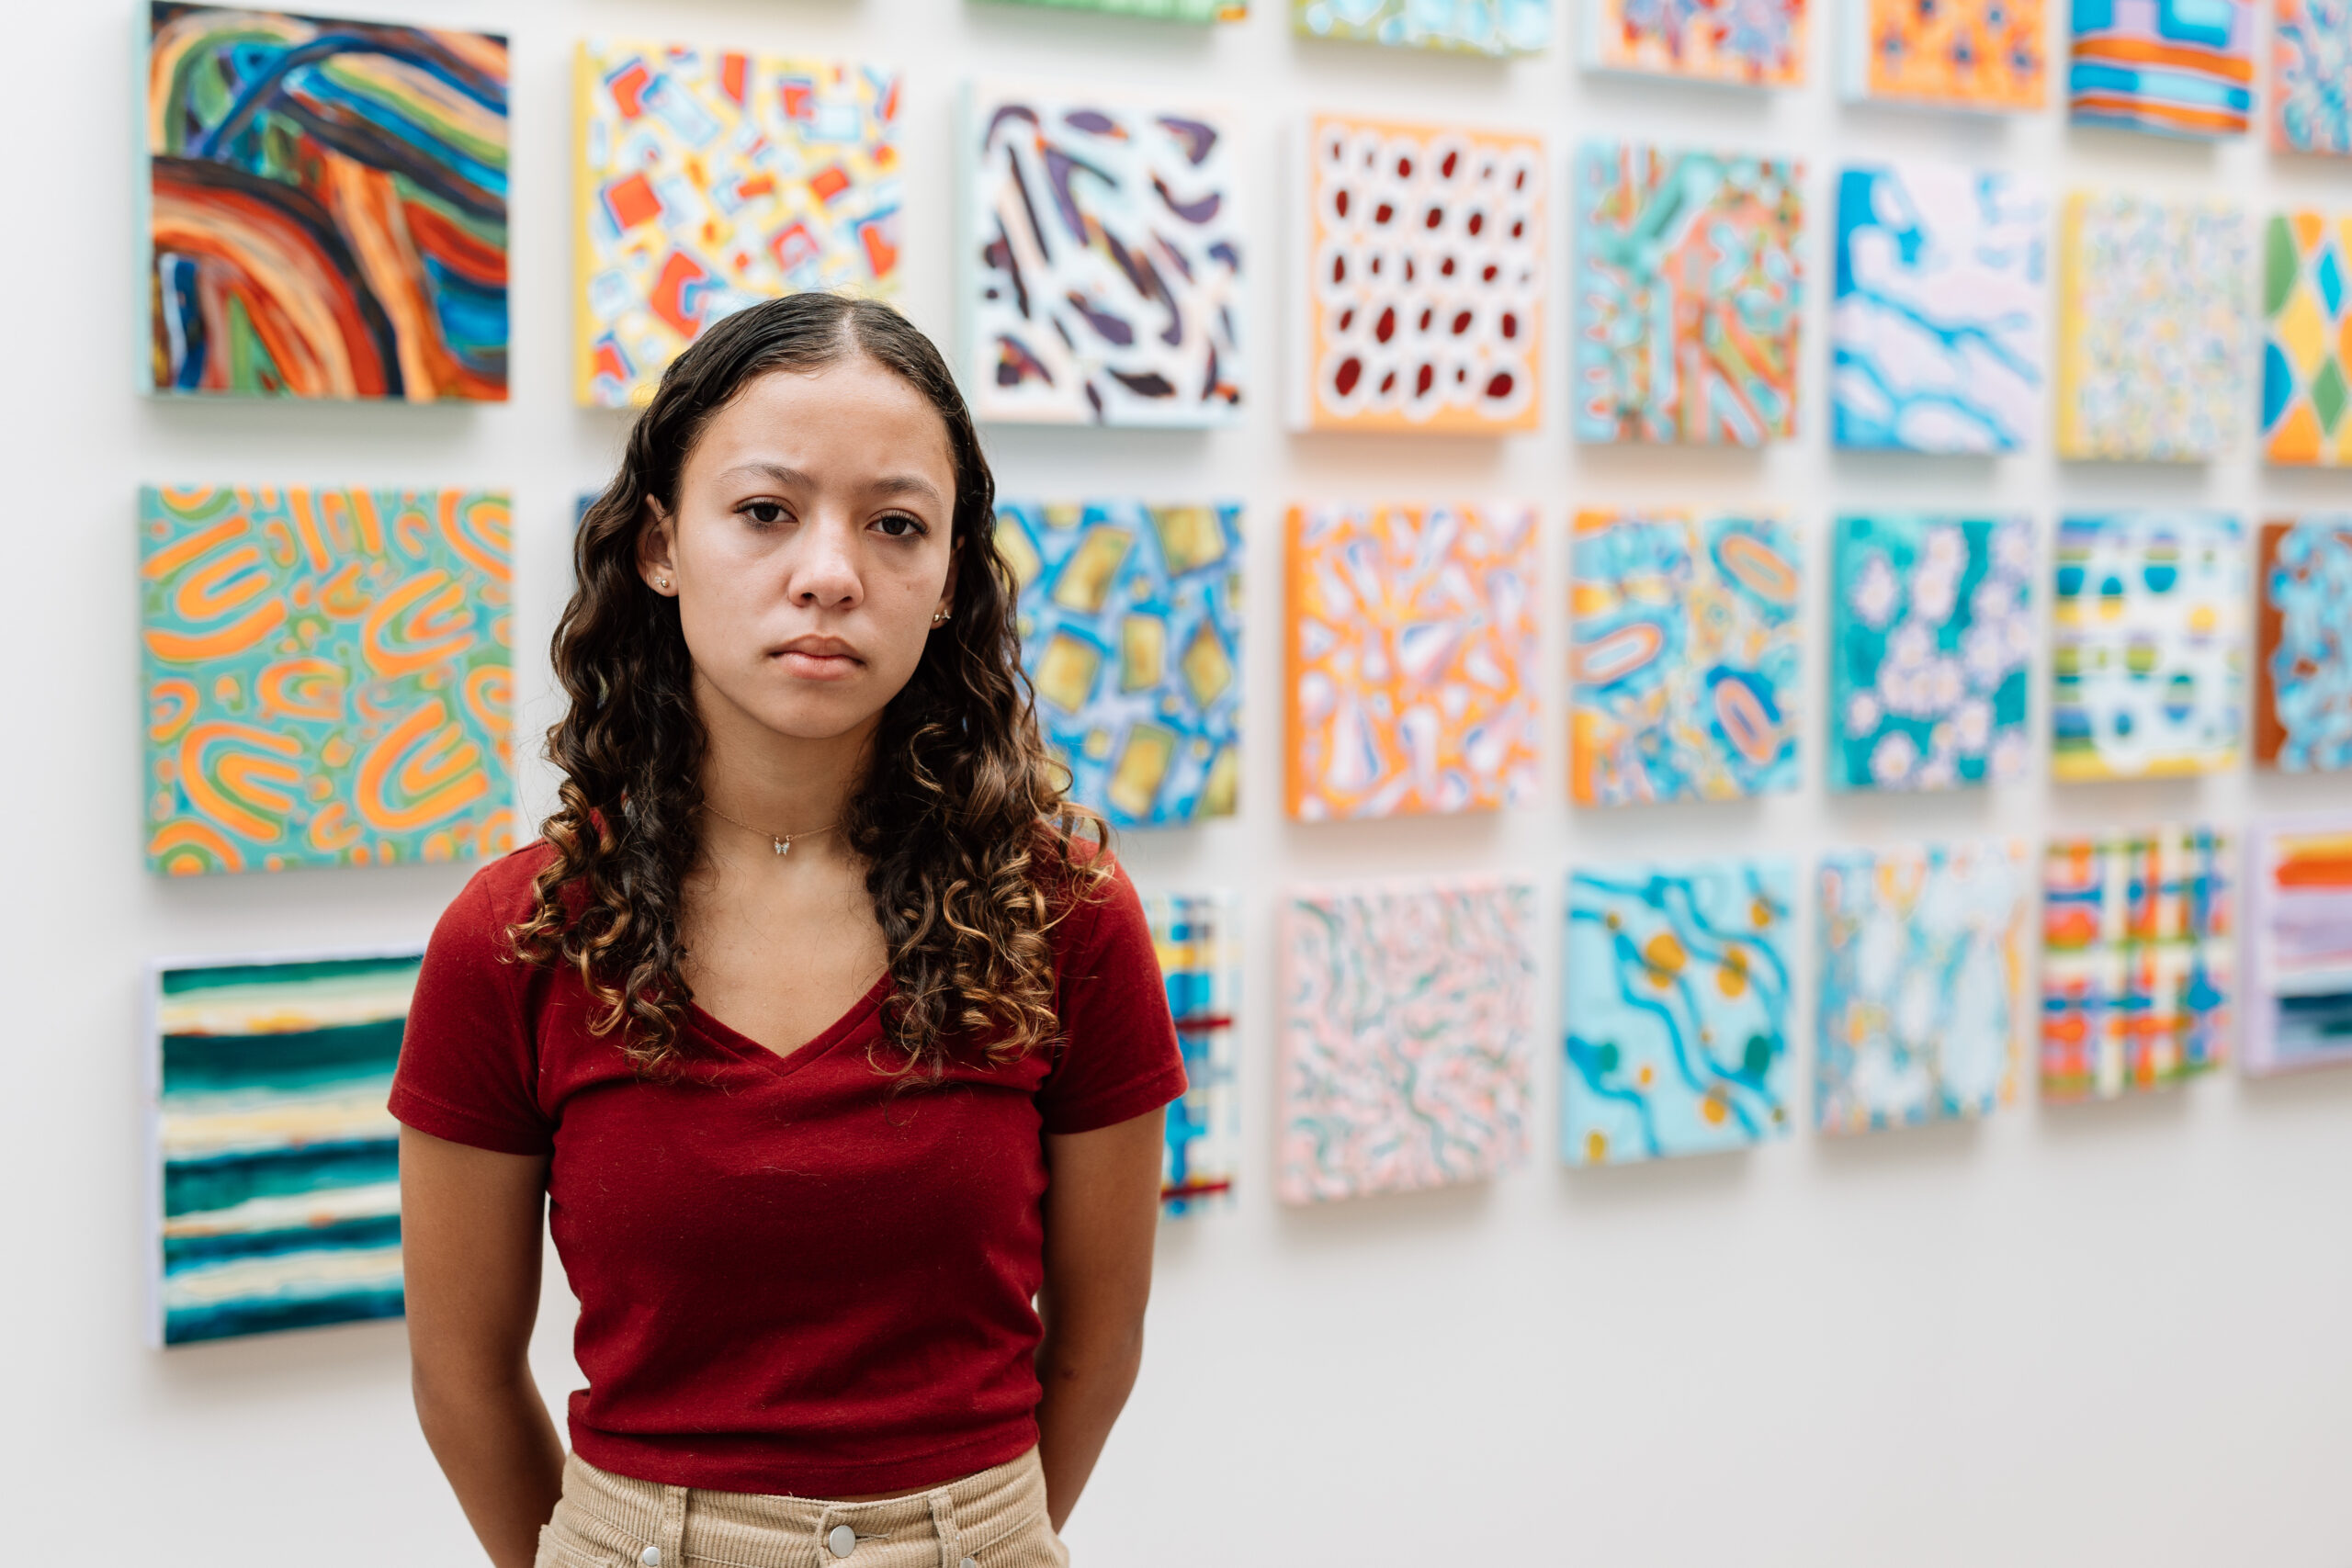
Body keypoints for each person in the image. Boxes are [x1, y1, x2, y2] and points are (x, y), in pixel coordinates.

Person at [390, 293, 1184, 1568]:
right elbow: (461, 1380)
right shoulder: (517, 935)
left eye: (896, 525)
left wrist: (968, 1540)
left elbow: (1098, 1345)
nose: (829, 571)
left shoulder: (1068, 913)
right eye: (766, 512)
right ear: (660, 544)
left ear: (946, 583)